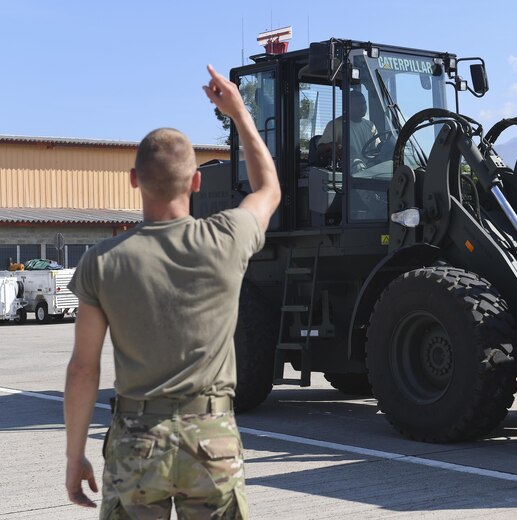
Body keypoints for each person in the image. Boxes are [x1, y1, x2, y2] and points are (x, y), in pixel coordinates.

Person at [63, 64, 280, 519]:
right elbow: (267, 188)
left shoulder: (102, 261)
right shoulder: (227, 239)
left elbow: (83, 370)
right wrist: (239, 112)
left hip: (136, 443)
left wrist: (74, 455)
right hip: (211, 438)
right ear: (196, 182)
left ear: (133, 179)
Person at [316, 90, 378, 169]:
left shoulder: (370, 126)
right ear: (348, 106)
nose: (363, 107)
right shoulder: (336, 124)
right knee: (358, 166)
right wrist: (332, 146)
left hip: (368, 167)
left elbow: (376, 149)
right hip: (347, 172)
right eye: (358, 104)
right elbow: (320, 150)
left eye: (364, 103)